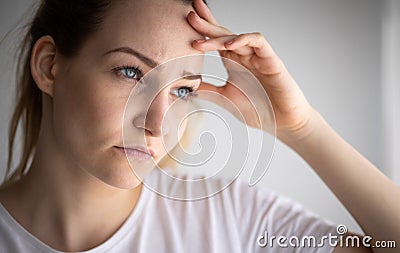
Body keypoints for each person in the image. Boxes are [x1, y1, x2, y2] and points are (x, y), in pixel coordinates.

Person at [0, 0, 399, 252]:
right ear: (48, 65)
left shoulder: (232, 218)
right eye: (130, 71)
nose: (157, 124)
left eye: (182, 91)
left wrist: (302, 129)